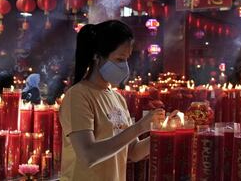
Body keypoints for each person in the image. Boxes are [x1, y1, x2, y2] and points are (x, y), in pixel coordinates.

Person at [59, 20, 166, 181]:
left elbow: (134, 152)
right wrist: (140, 127)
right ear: (97, 56)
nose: (125, 66)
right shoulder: (78, 95)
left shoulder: (117, 99)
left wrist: (165, 133)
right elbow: (88, 154)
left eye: (127, 59)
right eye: (119, 59)